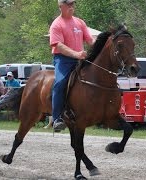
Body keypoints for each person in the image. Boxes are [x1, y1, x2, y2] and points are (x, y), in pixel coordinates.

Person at [49, 0, 94, 131]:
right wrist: (76, 54)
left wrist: (103, 44)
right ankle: (56, 118)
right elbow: (59, 46)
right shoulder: (56, 25)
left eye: (73, 4)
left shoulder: (80, 22)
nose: (71, 7)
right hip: (63, 60)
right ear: (61, 6)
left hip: (79, 58)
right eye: (68, 4)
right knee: (60, 83)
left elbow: (90, 40)